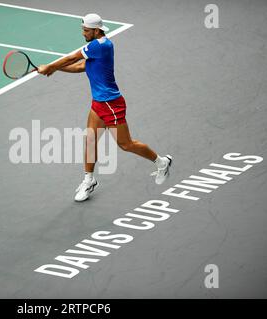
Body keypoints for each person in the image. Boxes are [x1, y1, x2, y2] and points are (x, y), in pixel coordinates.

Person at [37, 13, 172, 202]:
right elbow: (79, 66)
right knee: (90, 140)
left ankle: (162, 162)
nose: (83, 33)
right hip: (98, 103)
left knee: (126, 144)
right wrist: (54, 69)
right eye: (83, 29)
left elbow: (71, 58)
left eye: (86, 30)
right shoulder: (97, 48)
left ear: (96, 30)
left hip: (111, 104)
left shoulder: (100, 45)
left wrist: (50, 66)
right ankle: (89, 180)